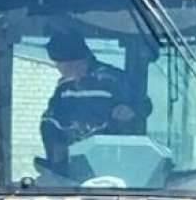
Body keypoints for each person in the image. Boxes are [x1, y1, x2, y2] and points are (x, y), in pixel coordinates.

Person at [39, 29, 152, 175]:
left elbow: (144, 104)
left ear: (82, 59)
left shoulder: (112, 79)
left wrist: (131, 110)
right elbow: (51, 121)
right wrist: (55, 154)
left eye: (68, 65)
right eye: (60, 65)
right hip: (74, 161)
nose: (63, 70)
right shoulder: (64, 88)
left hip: (113, 159)